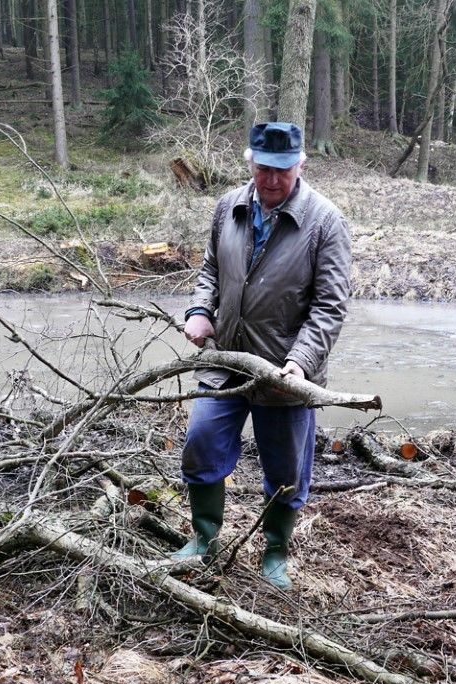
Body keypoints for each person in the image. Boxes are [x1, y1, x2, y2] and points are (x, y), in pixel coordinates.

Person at [172, 122, 353, 590]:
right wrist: (200, 310)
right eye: (263, 169)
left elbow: (330, 306)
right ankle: (204, 540)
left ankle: (275, 553)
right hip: (226, 362)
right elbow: (211, 269)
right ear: (250, 163)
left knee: (286, 469)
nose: (272, 180)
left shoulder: (325, 221)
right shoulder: (229, 206)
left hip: (285, 372)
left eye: (283, 170)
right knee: (201, 444)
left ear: (301, 165)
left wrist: (301, 362)